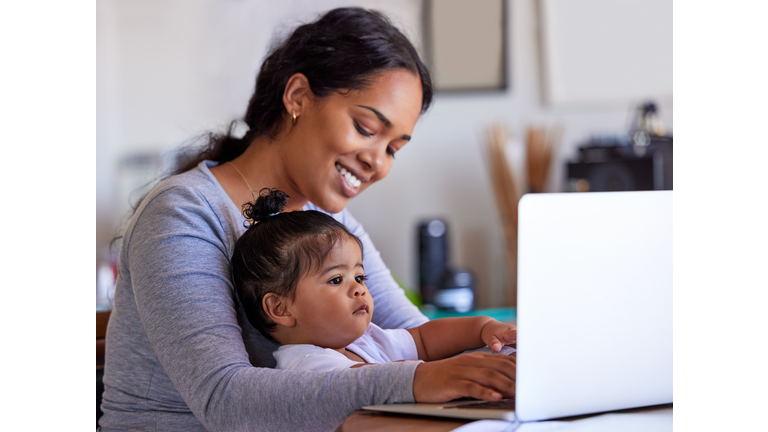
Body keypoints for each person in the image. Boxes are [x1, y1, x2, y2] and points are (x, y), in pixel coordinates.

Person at [99, 7, 516, 432]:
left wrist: (503, 354)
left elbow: (415, 339)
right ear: (297, 96)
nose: (378, 162)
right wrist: (417, 380)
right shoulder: (184, 215)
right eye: (366, 127)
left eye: (393, 148)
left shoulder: (326, 223)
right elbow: (225, 399)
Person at [231, 188, 517, 373]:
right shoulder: (306, 366)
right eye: (335, 280)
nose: (358, 288)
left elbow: (425, 339)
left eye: (359, 276)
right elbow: (363, 384)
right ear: (281, 309)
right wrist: (447, 371)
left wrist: (483, 327)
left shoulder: (367, 341)